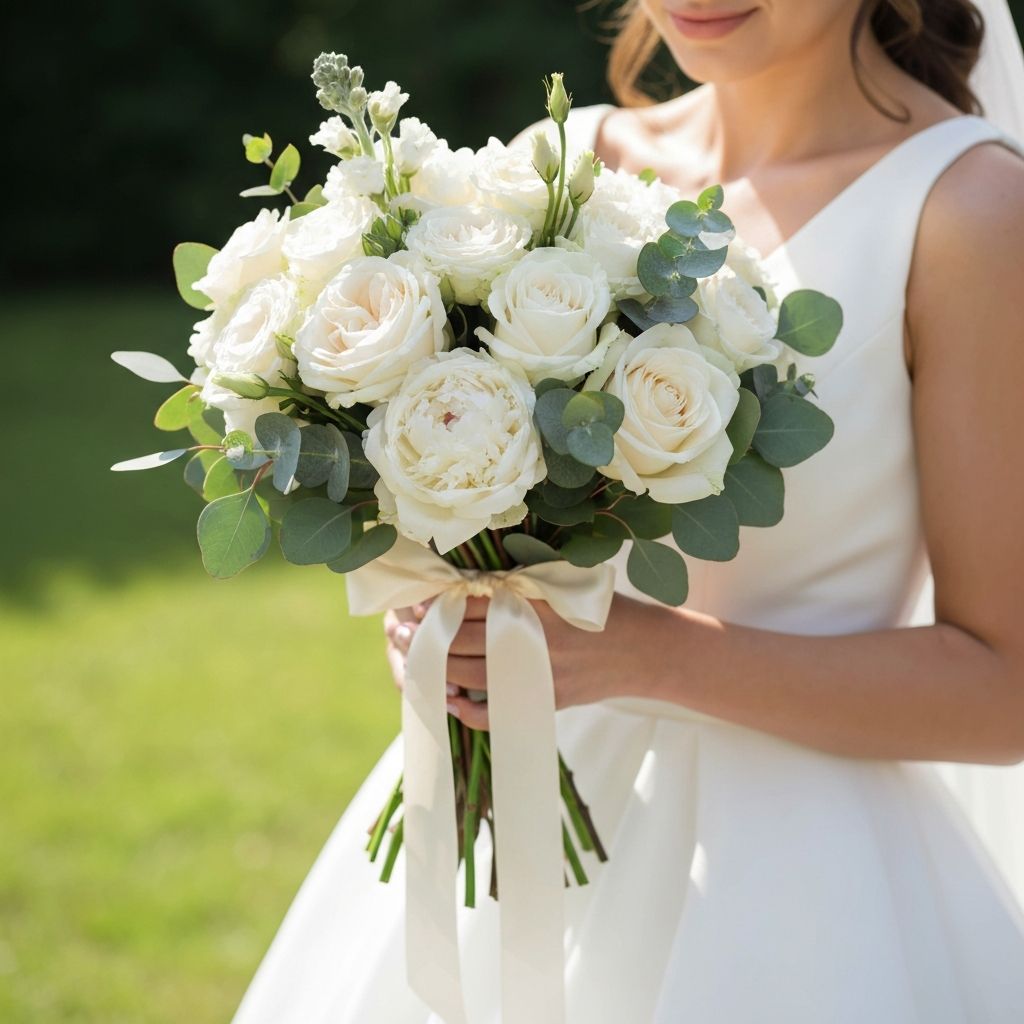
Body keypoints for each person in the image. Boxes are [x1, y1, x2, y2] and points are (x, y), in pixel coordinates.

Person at [232, 1, 1024, 1021]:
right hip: (513, 822)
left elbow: (1001, 689)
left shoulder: (970, 212)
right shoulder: (562, 169)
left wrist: (644, 656)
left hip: (799, 891)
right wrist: (448, 613)